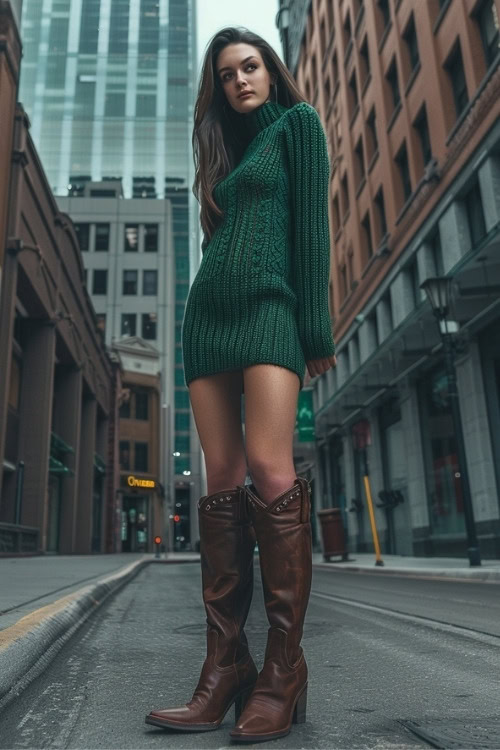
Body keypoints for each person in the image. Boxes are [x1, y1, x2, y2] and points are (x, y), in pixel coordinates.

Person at [145, 26, 337, 743]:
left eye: (250, 66)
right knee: (218, 479)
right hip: (210, 321)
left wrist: (315, 332)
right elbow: (219, 235)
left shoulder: (298, 127)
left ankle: (283, 670)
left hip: (270, 313)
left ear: (270, 69)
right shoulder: (224, 151)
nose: (239, 80)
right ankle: (225, 668)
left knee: (269, 468)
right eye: (226, 74)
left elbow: (311, 235)